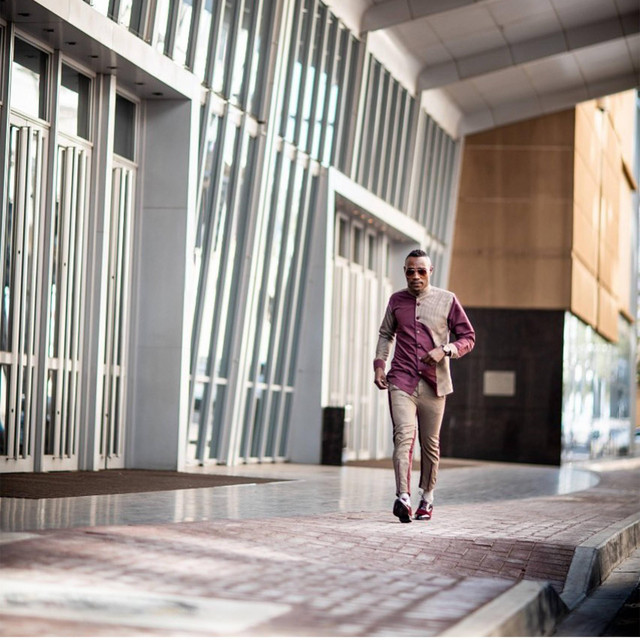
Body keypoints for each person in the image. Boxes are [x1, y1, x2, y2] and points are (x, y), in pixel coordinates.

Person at [373, 249, 475, 523]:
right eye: (410, 271)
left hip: (434, 383)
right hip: (401, 380)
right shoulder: (396, 301)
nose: (415, 276)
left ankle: (427, 497)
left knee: (429, 444)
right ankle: (403, 498)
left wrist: (445, 349)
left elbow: (468, 337)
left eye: (421, 270)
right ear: (405, 272)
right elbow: (386, 334)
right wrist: (380, 364)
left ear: (430, 271)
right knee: (403, 437)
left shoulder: (447, 300)